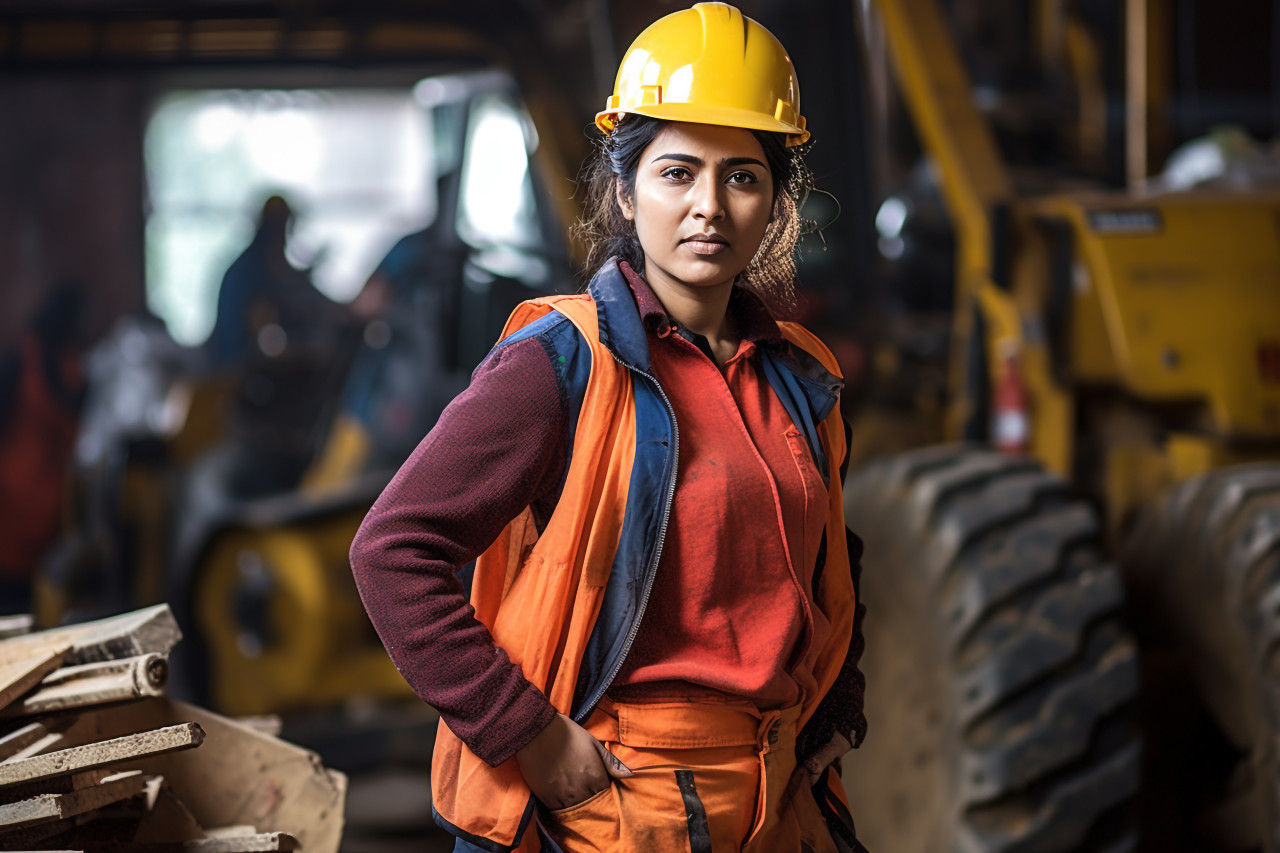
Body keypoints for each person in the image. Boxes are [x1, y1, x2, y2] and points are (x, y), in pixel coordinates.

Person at [349, 4, 868, 851]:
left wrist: (840, 704)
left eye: (741, 176)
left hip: (778, 800)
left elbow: (833, 555)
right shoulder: (563, 359)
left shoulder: (801, 373)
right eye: (676, 172)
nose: (709, 205)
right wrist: (527, 731)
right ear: (625, 191)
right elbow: (392, 549)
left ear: (776, 202)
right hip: (626, 805)